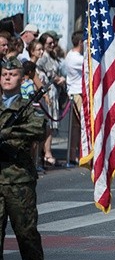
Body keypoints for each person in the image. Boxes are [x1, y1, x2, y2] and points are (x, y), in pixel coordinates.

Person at [0, 57, 46, 260]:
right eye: (4, 74)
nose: (7, 77)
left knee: (26, 232)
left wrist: (7, 133)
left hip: (19, 180)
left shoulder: (27, 106)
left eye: (13, 74)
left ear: (22, 78)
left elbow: (40, 128)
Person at [36, 33, 66, 166]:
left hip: (54, 93)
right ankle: (46, 153)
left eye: (53, 42)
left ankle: (47, 152)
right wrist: (59, 79)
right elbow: (52, 75)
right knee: (47, 125)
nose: (52, 45)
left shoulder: (53, 56)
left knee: (51, 125)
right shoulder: (43, 58)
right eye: (49, 43)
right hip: (47, 92)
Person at [63, 31, 85, 164]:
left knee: (77, 126)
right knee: (79, 126)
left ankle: (75, 153)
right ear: (81, 42)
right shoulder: (76, 58)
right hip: (77, 94)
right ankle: (74, 154)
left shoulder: (71, 55)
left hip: (77, 93)